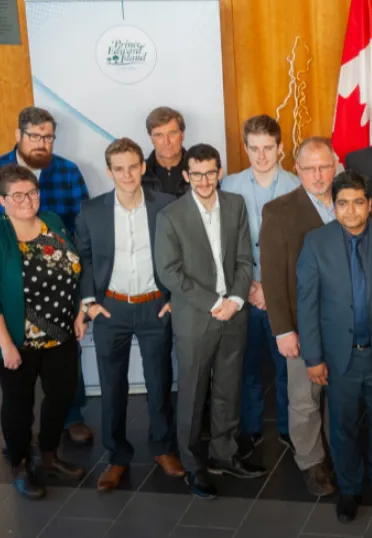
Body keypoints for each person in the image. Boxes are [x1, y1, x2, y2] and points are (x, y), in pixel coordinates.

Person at [297, 170, 372, 523]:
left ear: (369, 204)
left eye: (358, 203)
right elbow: (308, 305)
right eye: (343, 204)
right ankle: (349, 490)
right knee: (343, 427)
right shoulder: (316, 243)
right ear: (334, 206)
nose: (351, 211)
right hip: (338, 359)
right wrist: (314, 358)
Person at [154, 143, 265, 499]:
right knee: (192, 393)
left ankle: (225, 454)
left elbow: (245, 258)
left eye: (211, 172)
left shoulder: (235, 205)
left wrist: (234, 299)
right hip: (196, 318)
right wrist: (215, 301)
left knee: (228, 389)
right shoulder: (170, 216)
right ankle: (193, 465)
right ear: (186, 176)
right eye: (197, 173)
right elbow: (170, 273)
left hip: (234, 313)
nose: (204, 180)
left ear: (220, 172)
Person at [74, 138, 184, 491]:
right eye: (119, 168)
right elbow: (85, 258)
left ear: (142, 167)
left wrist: (174, 298)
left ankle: (163, 448)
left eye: (133, 166)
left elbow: (182, 253)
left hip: (155, 306)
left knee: (159, 383)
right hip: (111, 309)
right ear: (109, 172)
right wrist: (89, 302)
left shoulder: (166, 206)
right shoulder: (92, 211)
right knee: (112, 387)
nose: (127, 174)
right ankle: (117, 456)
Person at [0, 106, 92, 447]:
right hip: (16, 304)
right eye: (35, 136)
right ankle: (20, 455)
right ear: (18, 135)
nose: (42, 143)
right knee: (18, 392)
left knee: (64, 378)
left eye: (48, 137)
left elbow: (82, 230)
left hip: (61, 302)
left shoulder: (67, 172)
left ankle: (73, 417)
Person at [0, 163, 85, 499]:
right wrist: (5, 344)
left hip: (61, 333)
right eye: (17, 195)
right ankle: (20, 462)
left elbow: (72, 267)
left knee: (62, 396)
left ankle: (47, 455)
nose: (27, 200)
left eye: (31, 192)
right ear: (3, 200)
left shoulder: (52, 221)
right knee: (18, 406)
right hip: (19, 340)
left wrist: (79, 311)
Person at [259, 137, 338, 496]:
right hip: (302, 324)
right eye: (310, 168)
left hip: (345, 322)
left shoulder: (350, 200)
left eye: (324, 166)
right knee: (305, 397)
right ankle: (310, 461)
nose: (318, 175)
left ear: (335, 164)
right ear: (297, 169)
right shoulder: (278, 211)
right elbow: (273, 278)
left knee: (339, 394)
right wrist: (283, 330)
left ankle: (339, 452)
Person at [220, 115, 300, 453]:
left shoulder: (297, 186)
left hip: (283, 293)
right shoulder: (229, 187)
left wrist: (272, 289)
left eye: (269, 148)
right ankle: (251, 427)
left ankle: (289, 428)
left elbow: (301, 247)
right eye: (254, 148)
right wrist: (251, 286)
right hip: (243, 292)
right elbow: (223, 244)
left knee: (287, 367)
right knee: (246, 365)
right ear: (245, 148)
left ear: (281, 149)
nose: (262, 156)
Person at [142, 107, 189, 197]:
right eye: (159, 135)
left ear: (182, 135)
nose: (166, 142)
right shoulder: (139, 173)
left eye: (172, 133)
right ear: (150, 137)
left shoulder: (200, 171)